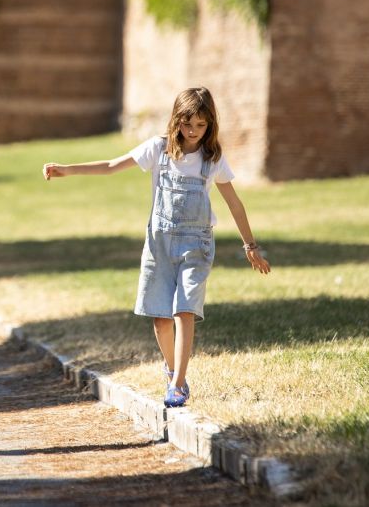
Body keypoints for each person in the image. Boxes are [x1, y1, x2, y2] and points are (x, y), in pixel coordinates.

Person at [42, 87, 270, 408]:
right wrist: (67, 169)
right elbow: (111, 165)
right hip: (158, 245)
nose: (193, 132)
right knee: (161, 318)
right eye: (187, 124)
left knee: (183, 309)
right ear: (177, 120)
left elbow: (234, 204)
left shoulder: (212, 160)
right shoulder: (158, 150)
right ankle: (172, 370)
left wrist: (251, 245)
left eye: (201, 126)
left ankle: (177, 386)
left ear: (210, 126)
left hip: (197, 246)